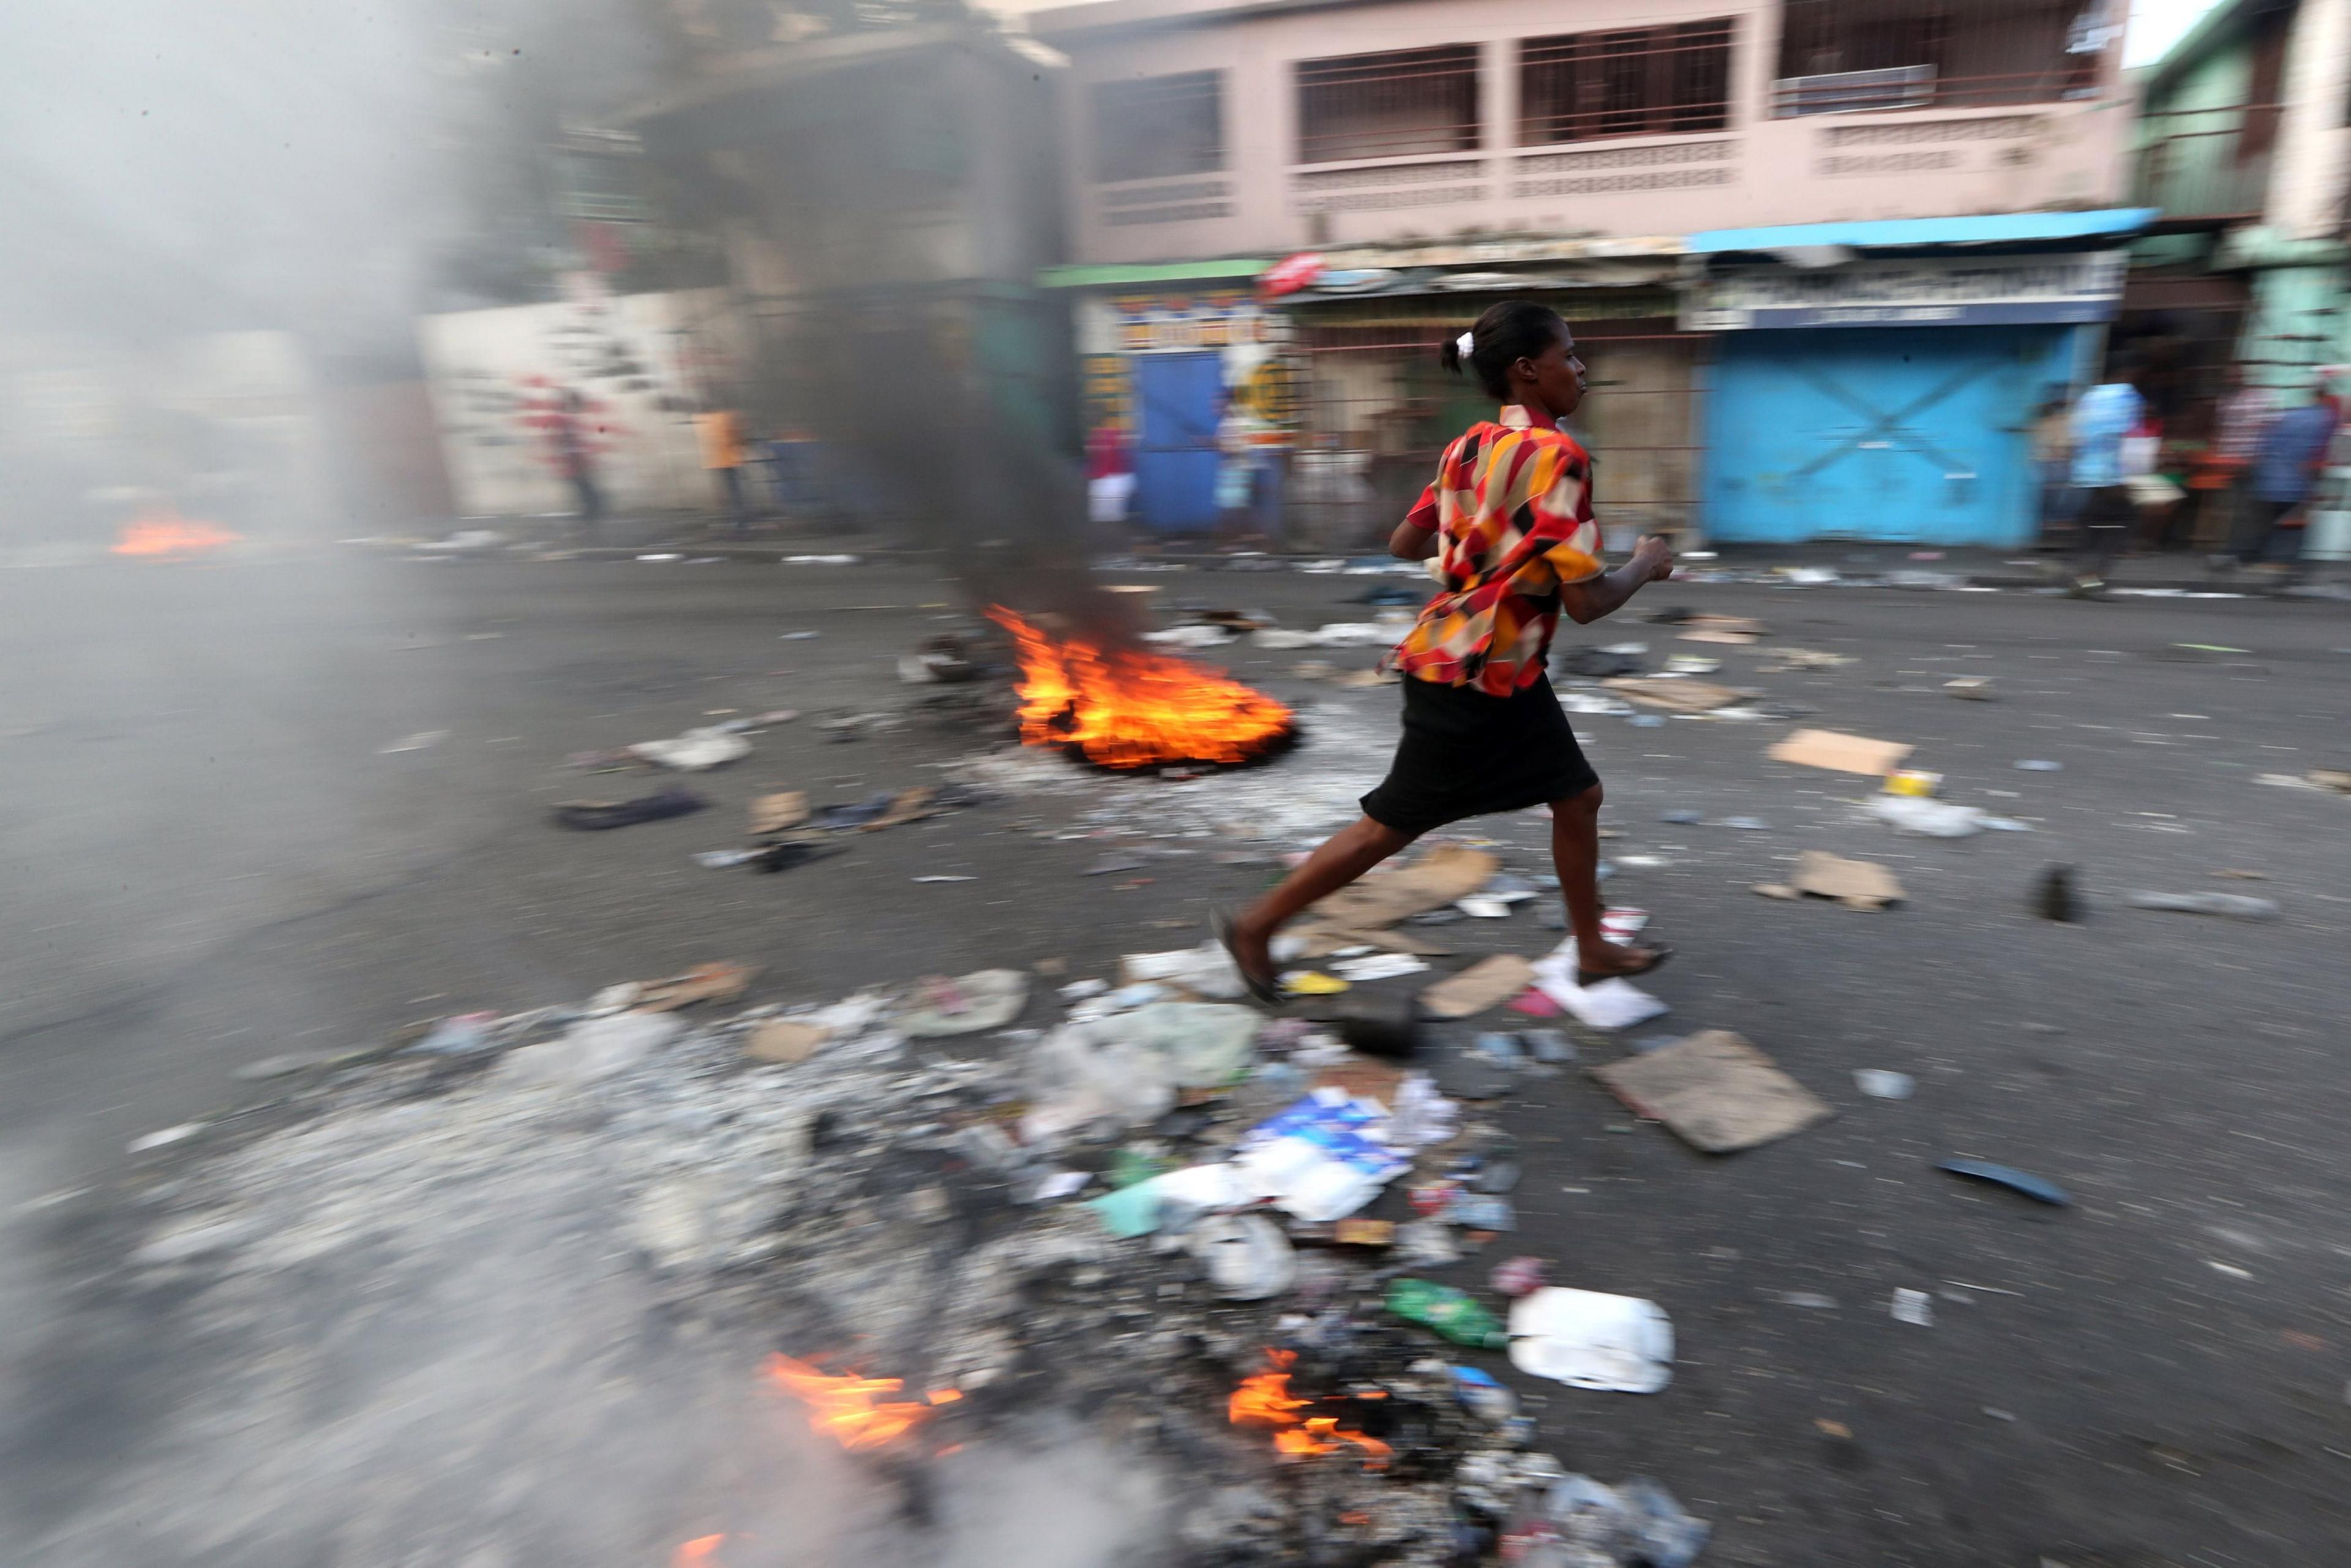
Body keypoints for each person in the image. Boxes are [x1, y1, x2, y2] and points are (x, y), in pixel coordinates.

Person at [1217, 301, 1676, 1002]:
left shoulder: (1468, 446)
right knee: (1388, 826)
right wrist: (1646, 563)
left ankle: (1591, 949)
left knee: (1577, 796)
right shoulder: (1559, 458)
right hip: (1479, 672)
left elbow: (1405, 542)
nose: (1582, 370)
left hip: (1491, 662)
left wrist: (1482, 536)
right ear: (1528, 371)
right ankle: (1255, 925)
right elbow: (1586, 603)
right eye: (1571, 356)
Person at [2237, 377, 2341, 578]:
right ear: (2326, 396)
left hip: (2270, 478)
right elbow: (2315, 453)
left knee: (2266, 520)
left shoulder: (2293, 415)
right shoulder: (2324, 418)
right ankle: (2283, 562)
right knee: (2294, 523)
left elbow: (2267, 442)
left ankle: (2249, 557)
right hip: (2296, 481)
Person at [2067, 356, 2147, 594]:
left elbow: (2076, 435)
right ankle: (2090, 582)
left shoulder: (2089, 398)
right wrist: (2133, 476)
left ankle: (2077, 579)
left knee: (2092, 530)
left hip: (2088, 476)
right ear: (2127, 372)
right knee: (2116, 531)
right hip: (2116, 477)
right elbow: (2132, 438)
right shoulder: (2127, 396)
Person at [552, 388, 602, 532]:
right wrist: (577, 458)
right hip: (576, 461)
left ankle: (590, 516)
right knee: (586, 490)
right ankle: (590, 516)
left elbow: (570, 442)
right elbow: (569, 442)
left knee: (585, 490)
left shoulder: (568, 419)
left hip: (576, 461)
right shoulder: (567, 420)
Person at [698, 404, 749, 533]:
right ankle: (740, 522)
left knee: (727, 494)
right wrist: (742, 445)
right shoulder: (724, 418)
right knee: (736, 494)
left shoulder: (703, 420)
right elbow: (735, 437)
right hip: (730, 460)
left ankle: (731, 521)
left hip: (715, 462)